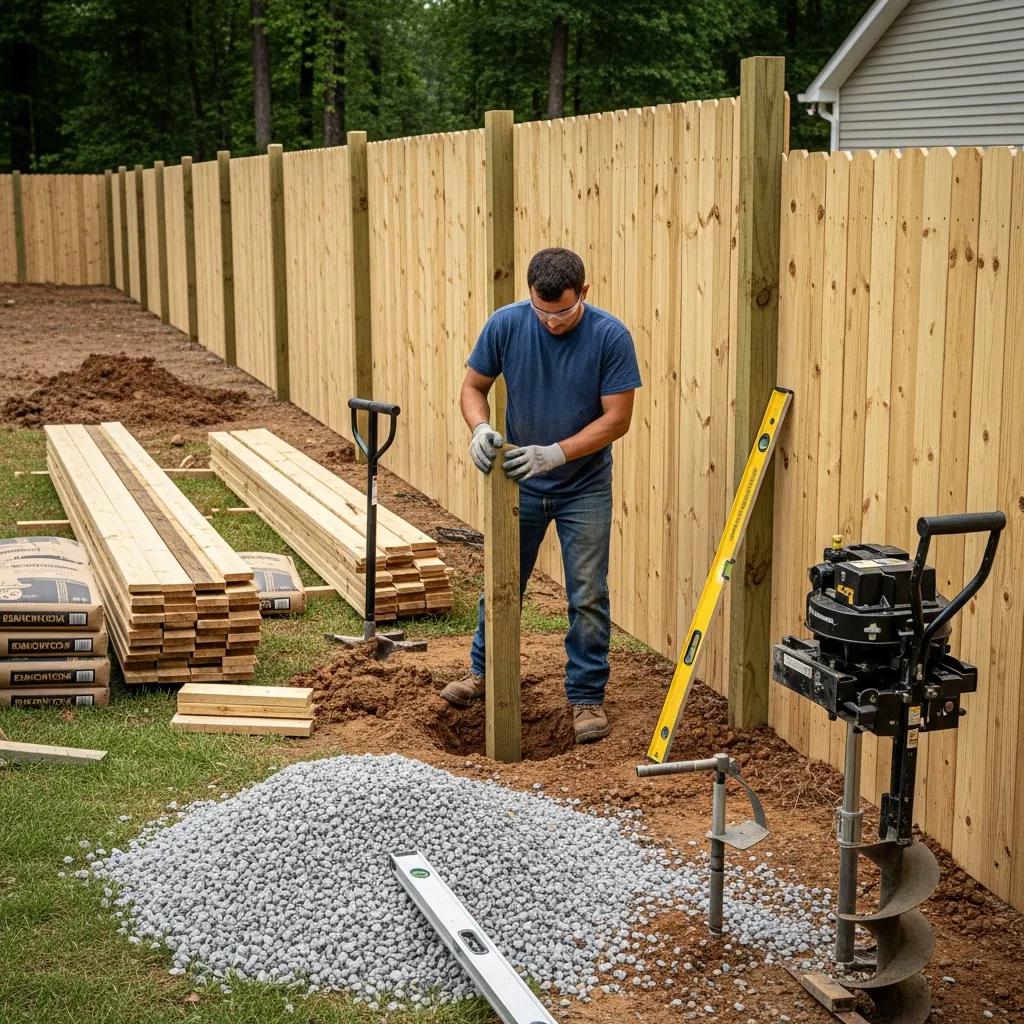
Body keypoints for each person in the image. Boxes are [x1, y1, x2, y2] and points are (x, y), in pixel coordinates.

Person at [440, 247, 642, 743]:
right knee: (503, 581)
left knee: (588, 593)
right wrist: (480, 428)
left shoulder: (610, 337)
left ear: (584, 294)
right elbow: (472, 388)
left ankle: (586, 697)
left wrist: (556, 453)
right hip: (518, 483)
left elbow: (618, 418)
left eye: (564, 312)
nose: (552, 322)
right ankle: (484, 673)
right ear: (530, 295)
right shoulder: (506, 324)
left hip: (584, 487)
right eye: (543, 311)